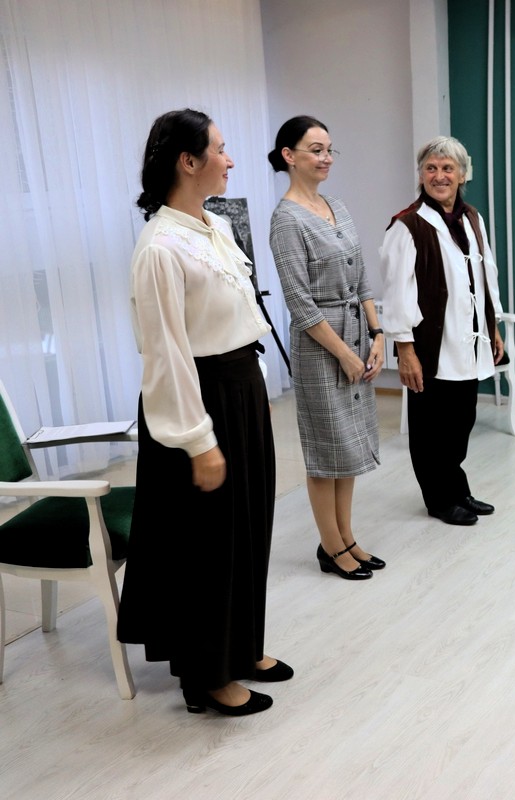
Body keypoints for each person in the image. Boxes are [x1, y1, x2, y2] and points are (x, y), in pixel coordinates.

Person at [117, 109, 289, 716]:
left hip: (240, 389)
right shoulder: (159, 248)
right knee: (209, 543)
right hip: (201, 398)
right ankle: (208, 675)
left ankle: (242, 645)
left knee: (248, 527)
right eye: (219, 148)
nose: (230, 159)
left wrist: (253, 395)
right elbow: (165, 354)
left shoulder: (214, 225)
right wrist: (198, 439)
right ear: (187, 162)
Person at [269, 115, 384, 581]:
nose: (326, 158)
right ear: (289, 156)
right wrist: (344, 352)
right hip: (321, 345)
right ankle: (331, 546)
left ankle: (347, 537)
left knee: (349, 446)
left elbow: (362, 276)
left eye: (329, 149)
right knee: (326, 448)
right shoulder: (286, 219)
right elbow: (299, 303)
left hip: (357, 333)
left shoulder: (337, 206)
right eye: (316, 150)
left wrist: (377, 334)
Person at [379, 136, 504, 526]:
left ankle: (457, 489)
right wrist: (405, 349)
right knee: (431, 427)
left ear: (462, 175)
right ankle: (438, 499)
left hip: (469, 340)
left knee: (461, 420)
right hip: (431, 345)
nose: (439, 176)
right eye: (431, 168)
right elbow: (396, 291)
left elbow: (486, 275)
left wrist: (493, 325)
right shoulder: (408, 224)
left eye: (448, 168)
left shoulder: (472, 218)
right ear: (421, 175)